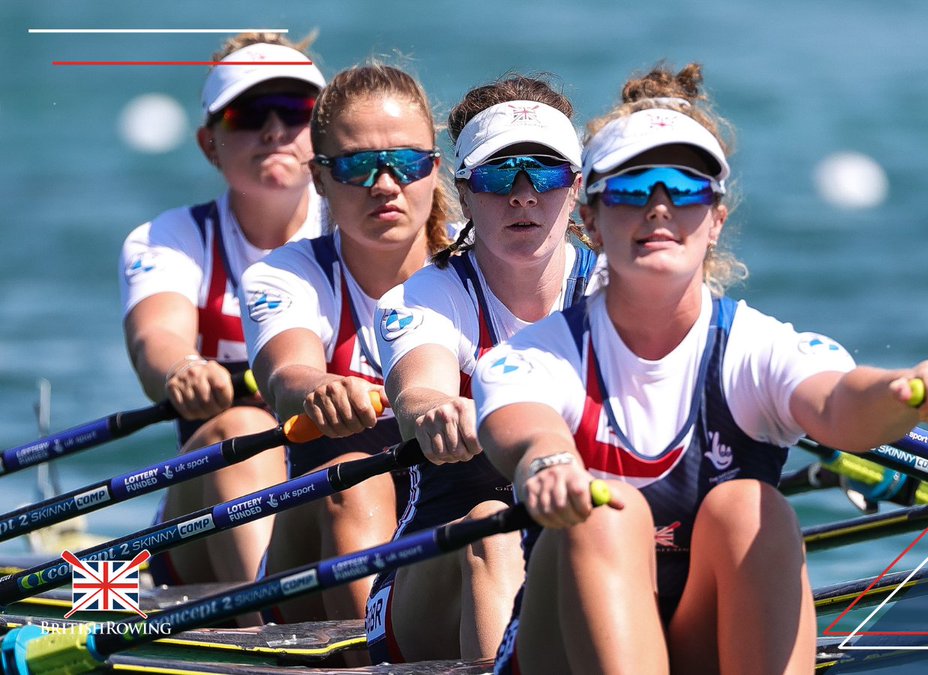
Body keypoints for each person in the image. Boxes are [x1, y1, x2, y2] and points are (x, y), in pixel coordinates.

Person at [472, 64, 928, 674]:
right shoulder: (534, 358)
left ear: (715, 220)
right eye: (633, 189)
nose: (659, 207)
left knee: (748, 507)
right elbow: (525, 431)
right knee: (611, 510)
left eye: (684, 189)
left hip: (701, 635)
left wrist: (904, 392)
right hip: (557, 651)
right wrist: (547, 464)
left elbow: (839, 406)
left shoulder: (757, 348)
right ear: (592, 221)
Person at [366, 76, 597, 663]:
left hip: (579, 552)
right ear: (465, 193)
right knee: (493, 523)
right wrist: (437, 413)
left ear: (575, 188)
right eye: (499, 175)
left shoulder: (615, 290)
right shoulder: (424, 299)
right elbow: (419, 389)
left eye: (543, 172)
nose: (523, 195)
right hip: (430, 585)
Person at [239, 62, 455, 622]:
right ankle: (370, 646)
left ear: (435, 168)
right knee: (356, 479)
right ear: (319, 177)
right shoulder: (285, 276)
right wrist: (317, 389)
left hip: (442, 542)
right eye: (358, 166)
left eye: (407, 162)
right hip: (317, 552)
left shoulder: (482, 272)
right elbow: (286, 377)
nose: (385, 184)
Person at [118, 33, 326, 587]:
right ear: (210, 143)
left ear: (323, 133)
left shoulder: (362, 233)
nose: (275, 130)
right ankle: (267, 630)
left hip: (339, 493)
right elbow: (155, 339)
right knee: (242, 427)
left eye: (296, 110)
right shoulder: (172, 238)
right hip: (205, 520)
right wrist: (182, 369)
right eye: (249, 113)